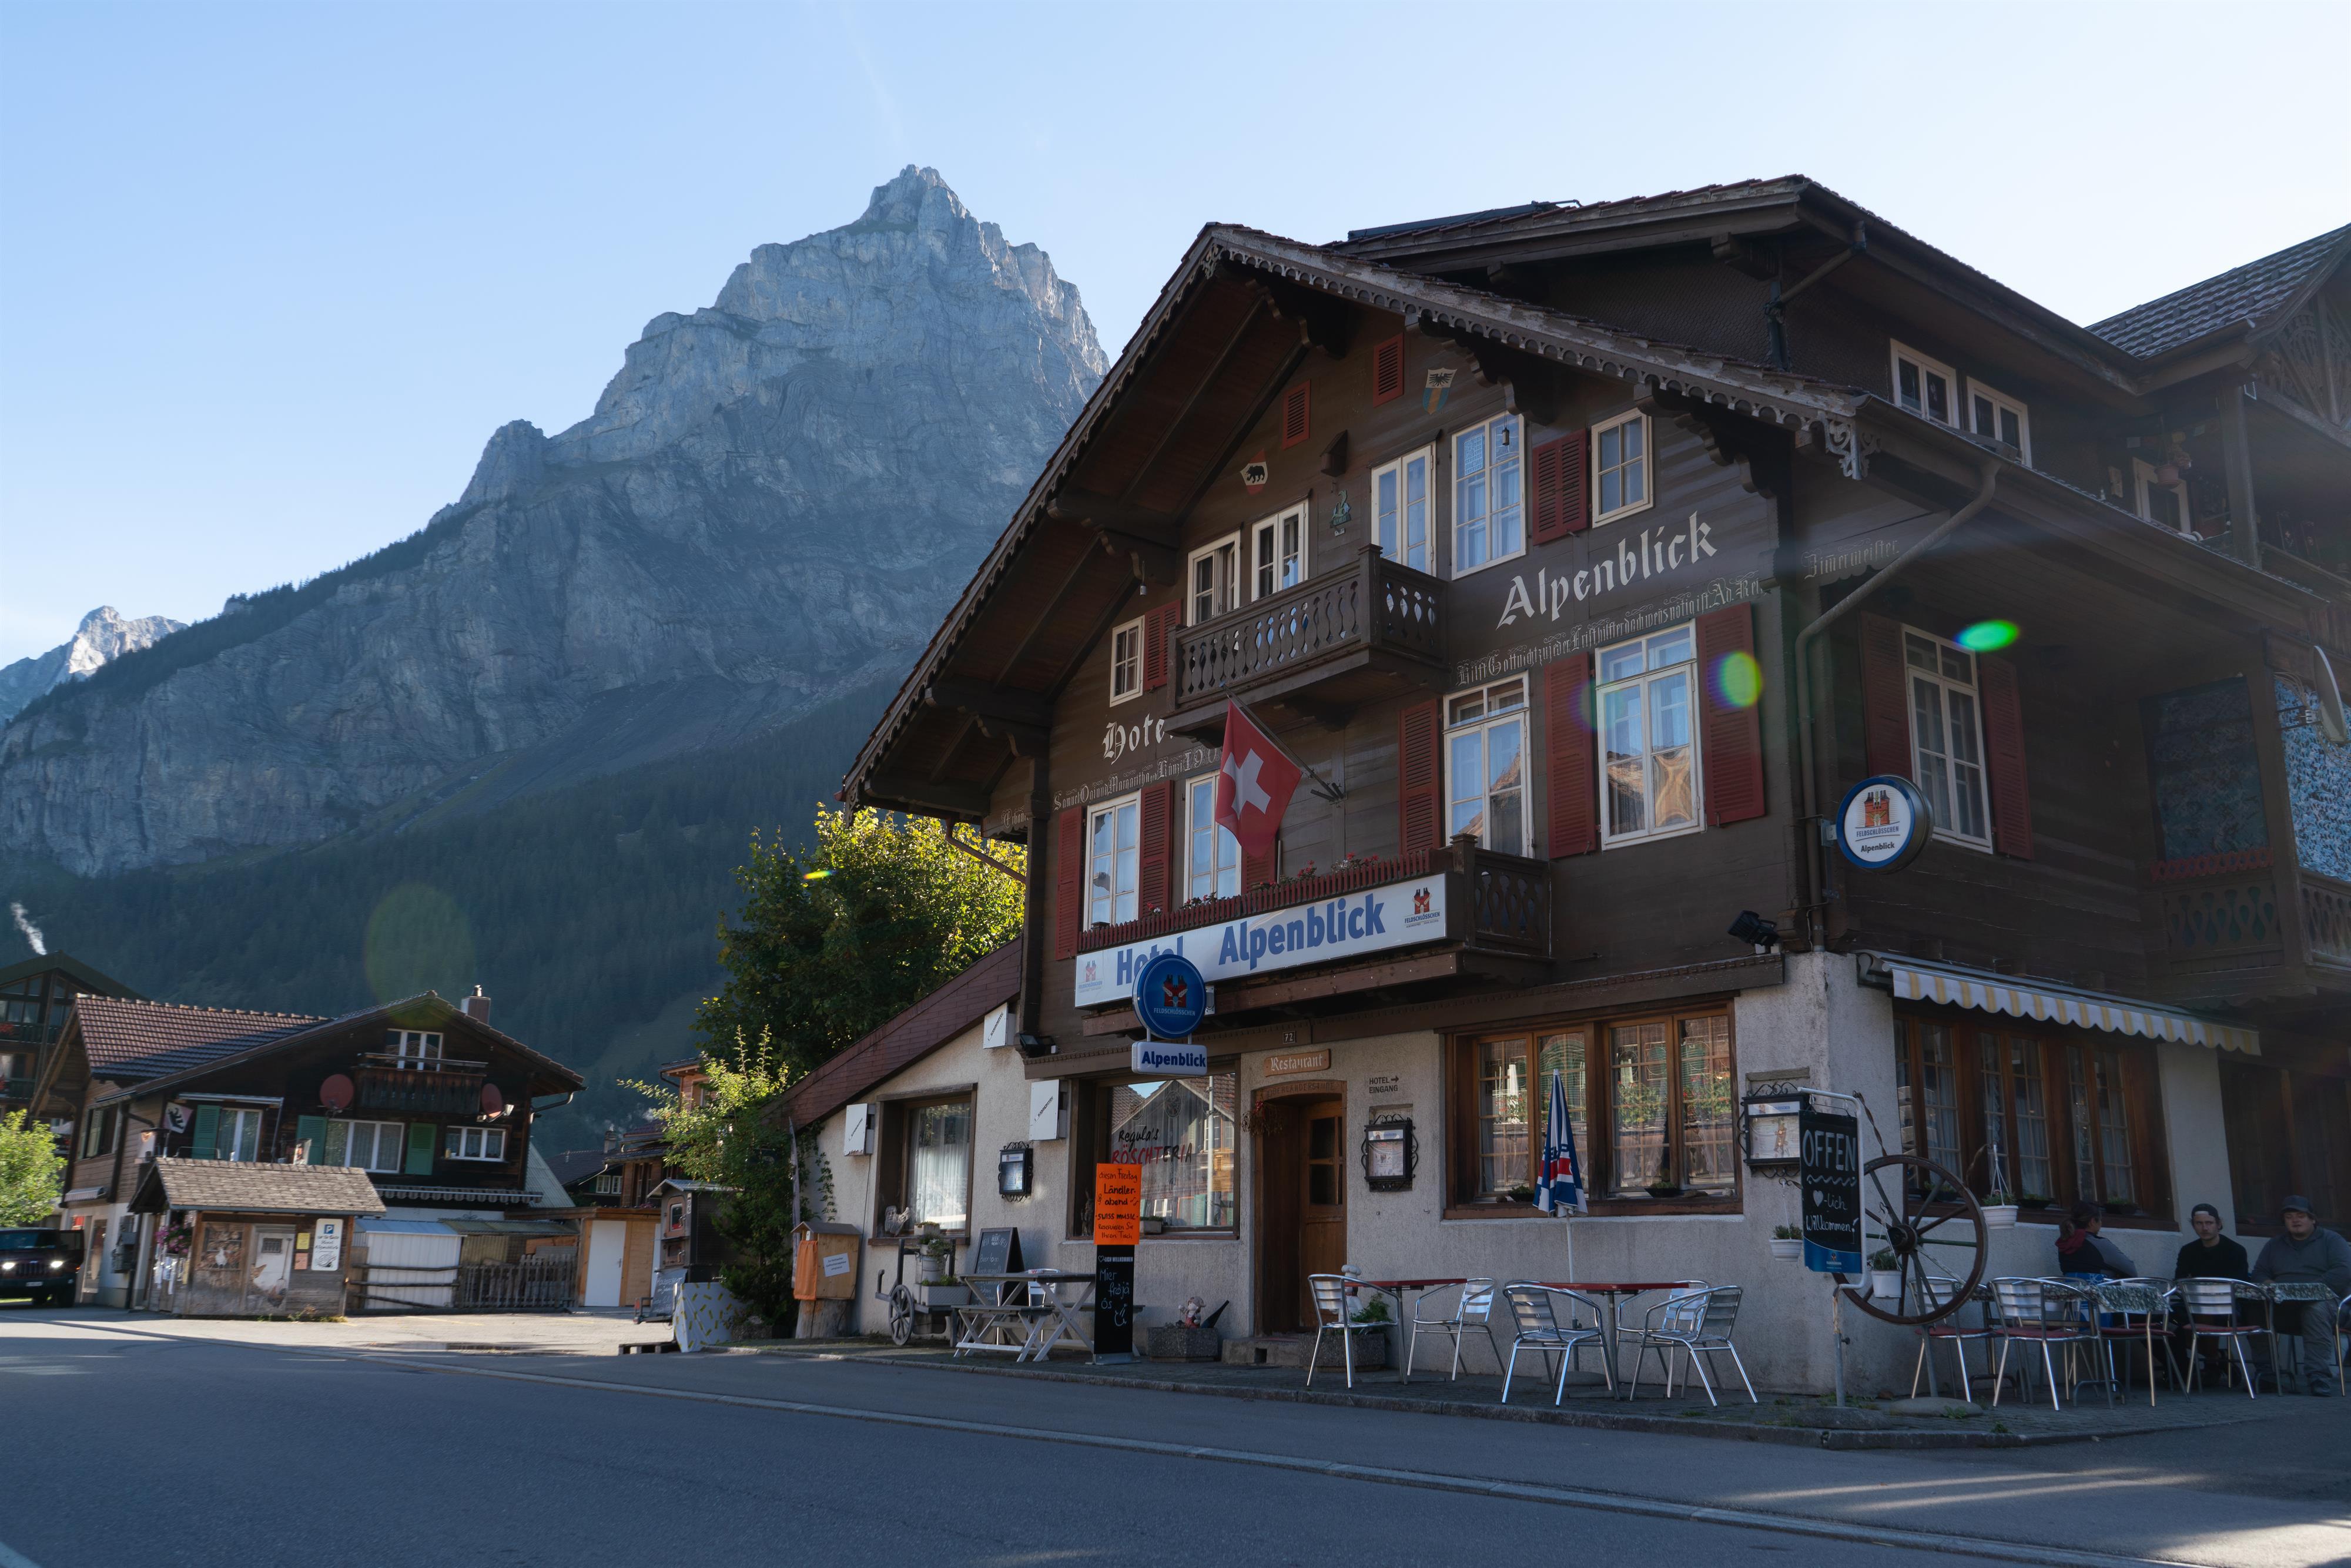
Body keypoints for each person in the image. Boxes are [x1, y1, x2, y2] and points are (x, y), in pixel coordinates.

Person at [2248, 1196, 2351, 1397]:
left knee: (2315, 1309)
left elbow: (2343, 1271)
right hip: (2283, 1306)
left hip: (2327, 1305)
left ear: (2313, 1219)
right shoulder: (2274, 1245)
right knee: (2254, 1309)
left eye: (2301, 1216)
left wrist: (2306, 1290)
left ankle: (2318, 1377)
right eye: (2289, 1217)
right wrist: (2272, 1286)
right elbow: (2259, 1273)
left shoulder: (2332, 1240)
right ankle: (2268, 1375)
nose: (2295, 1220)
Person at [2171, 1203, 2252, 1382]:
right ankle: (2214, 1358)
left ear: (2219, 1224)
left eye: (2209, 1222)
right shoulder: (2188, 1251)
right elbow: (2180, 1280)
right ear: (2193, 1225)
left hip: (2229, 1306)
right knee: (2166, 1323)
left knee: (2204, 1310)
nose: (2205, 1228)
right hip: (2194, 1304)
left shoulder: (2235, 1250)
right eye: (2199, 1223)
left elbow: (2238, 1284)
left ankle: (2211, 1365)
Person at [2055, 1201, 2138, 1278]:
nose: (2101, 1223)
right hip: (2099, 1292)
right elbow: (2132, 1272)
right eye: (2100, 1220)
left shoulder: (2064, 1244)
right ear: (2092, 1222)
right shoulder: (2100, 1244)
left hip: (2073, 1292)